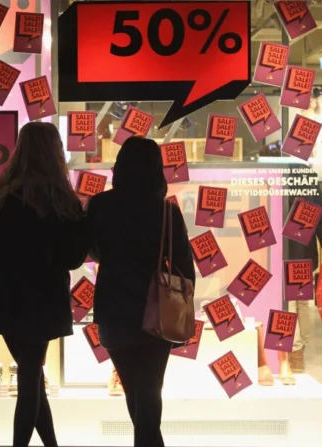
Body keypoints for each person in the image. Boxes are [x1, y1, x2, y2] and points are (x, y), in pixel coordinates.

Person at [0, 122, 88, 447]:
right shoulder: (61, 199)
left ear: (20, 150)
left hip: (1, 300)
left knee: (31, 375)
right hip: (43, 303)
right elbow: (73, 258)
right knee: (31, 375)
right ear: (56, 153)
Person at [86, 137, 196, 447]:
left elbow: (91, 251)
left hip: (112, 311)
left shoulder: (100, 205)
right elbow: (184, 270)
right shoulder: (166, 212)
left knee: (135, 393)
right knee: (148, 393)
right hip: (156, 313)